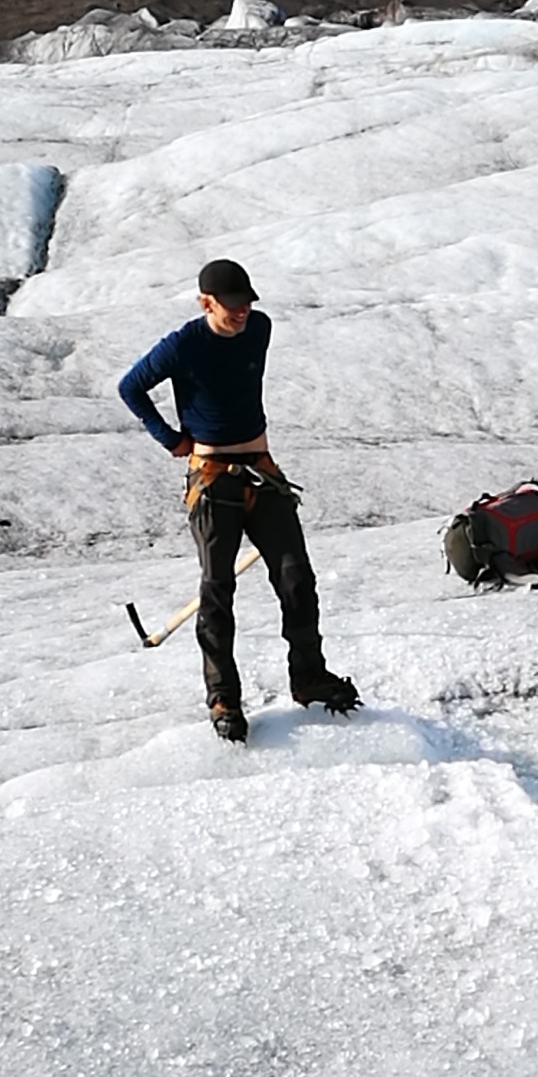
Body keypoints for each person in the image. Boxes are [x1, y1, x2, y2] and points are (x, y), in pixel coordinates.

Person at [118, 258, 359, 742]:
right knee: (217, 589)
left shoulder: (259, 329)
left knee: (296, 578)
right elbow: (130, 387)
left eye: (247, 301)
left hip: (263, 472)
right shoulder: (183, 344)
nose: (243, 310)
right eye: (232, 304)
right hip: (211, 478)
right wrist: (169, 438)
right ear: (205, 301)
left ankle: (308, 677)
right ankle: (223, 698)